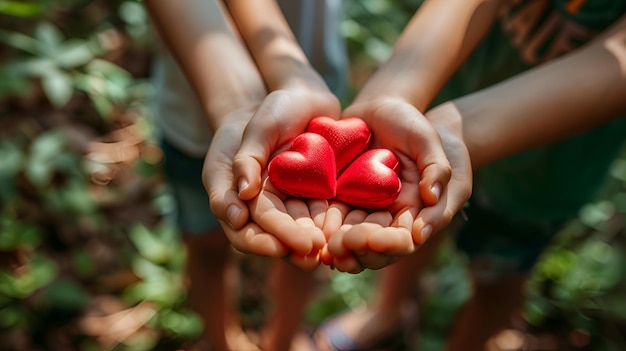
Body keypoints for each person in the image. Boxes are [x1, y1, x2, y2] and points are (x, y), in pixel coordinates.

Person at [311, 0, 626, 350]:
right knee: (417, 228)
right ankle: (386, 311)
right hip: (442, 107)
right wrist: (392, 95)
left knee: (499, 282)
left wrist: (460, 131)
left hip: (546, 171)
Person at [145, 0, 353, 349]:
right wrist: (238, 104)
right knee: (206, 243)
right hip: (192, 114)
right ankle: (221, 340)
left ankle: (282, 339)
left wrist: (294, 77)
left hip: (315, 95)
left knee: (309, 248)